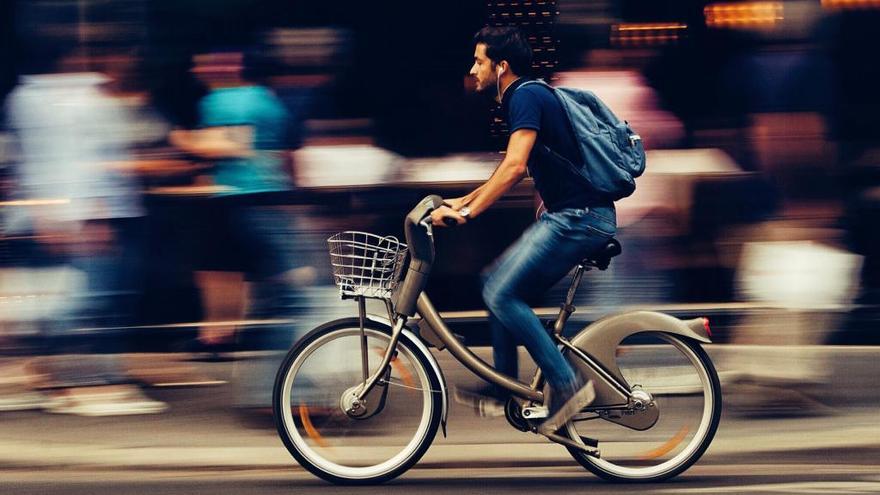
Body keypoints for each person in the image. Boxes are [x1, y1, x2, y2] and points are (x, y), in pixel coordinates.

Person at [430, 26, 618, 434]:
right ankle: (505, 387)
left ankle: (568, 385)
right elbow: (511, 172)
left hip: (579, 217)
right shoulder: (527, 95)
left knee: (500, 291)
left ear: (501, 66)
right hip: (572, 216)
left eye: (479, 60)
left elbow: (514, 166)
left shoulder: (526, 95)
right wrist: (462, 201)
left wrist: (469, 214)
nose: (472, 68)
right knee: (493, 281)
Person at [169, 48, 308, 411]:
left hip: (237, 200)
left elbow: (227, 146)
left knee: (286, 291)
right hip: (269, 197)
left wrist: (180, 140)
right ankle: (229, 345)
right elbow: (286, 153)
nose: (198, 69)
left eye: (204, 63)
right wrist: (292, 194)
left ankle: (261, 377)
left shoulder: (221, 100)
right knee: (279, 286)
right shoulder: (267, 98)